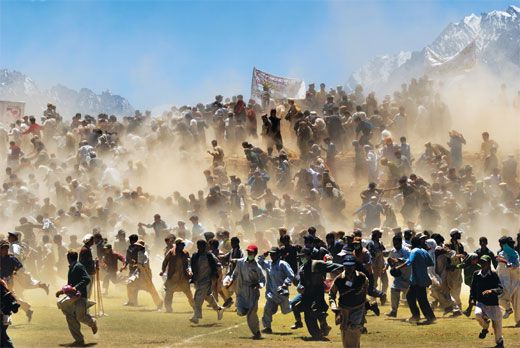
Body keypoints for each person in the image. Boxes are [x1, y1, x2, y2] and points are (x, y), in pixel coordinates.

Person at [55, 250, 98, 346]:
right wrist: (62, 291)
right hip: (71, 296)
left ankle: (93, 323)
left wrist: (76, 287)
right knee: (70, 317)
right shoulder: (72, 267)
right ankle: (79, 340)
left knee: (80, 317)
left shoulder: (78, 266)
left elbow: (87, 279)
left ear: (68, 258)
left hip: (80, 296)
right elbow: (70, 285)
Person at [226, 244, 266, 339]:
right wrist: (230, 282)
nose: (249, 254)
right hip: (241, 290)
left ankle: (256, 332)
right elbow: (235, 274)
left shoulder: (257, 266)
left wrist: (258, 285)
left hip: (253, 292)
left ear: (255, 253)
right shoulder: (240, 263)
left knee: (251, 314)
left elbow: (262, 280)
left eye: (251, 252)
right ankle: (246, 310)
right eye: (248, 252)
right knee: (240, 311)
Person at [329, 254, 368, 348]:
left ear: (354, 266)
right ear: (343, 266)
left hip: (358, 308)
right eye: (346, 266)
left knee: (353, 329)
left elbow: (366, 290)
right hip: (344, 309)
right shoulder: (338, 280)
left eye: (351, 266)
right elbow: (331, 295)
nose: (349, 268)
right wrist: (335, 308)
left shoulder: (362, 277)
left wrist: (365, 305)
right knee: (345, 332)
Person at [395, 234, 436, 324]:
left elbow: (410, 261)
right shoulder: (423, 251)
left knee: (422, 299)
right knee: (410, 296)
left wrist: (398, 267)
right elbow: (430, 263)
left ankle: (430, 317)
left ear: (412, 244)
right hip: (421, 278)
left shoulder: (414, 251)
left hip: (417, 279)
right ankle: (416, 316)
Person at [257, 246, 294, 333]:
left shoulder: (283, 264)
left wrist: (285, 284)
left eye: (274, 254)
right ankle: (267, 328)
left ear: (278, 255)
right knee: (267, 309)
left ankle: (296, 306)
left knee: (286, 311)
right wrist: (264, 255)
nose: (272, 256)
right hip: (272, 293)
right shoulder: (268, 264)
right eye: (271, 254)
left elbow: (291, 275)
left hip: (282, 293)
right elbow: (259, 263)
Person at [470, 255, 504, 348]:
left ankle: (499, 343)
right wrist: (472, 298)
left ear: (489, 263)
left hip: (493, 304)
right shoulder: (476, 274)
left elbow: (500, 289)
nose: (482, 264)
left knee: (497, 327)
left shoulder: (494, 274)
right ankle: (485, 327)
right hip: (481, 303)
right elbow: (472, 288)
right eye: (481, 262)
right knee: (477, 314)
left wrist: (491, 291)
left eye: (484, 262)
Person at [190, 239, 224, 324]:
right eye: (199, 246)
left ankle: (196, 316)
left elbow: (218, 264)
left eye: (202, 246)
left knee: (197, 298)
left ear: (205, 247)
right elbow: (191, 265)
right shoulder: (195, 256)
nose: (200, 247)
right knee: (207, 296)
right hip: (198, 280)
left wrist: (217, 271)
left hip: (207, 280)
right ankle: (219, 309)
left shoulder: (209, 256)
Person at [126, 240, 163, 310]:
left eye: (137, 246)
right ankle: (132, 301)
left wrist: (138, 265)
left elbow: (144, 263)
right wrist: (137, 264)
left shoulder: (143, 253)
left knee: (150, 289)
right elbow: (141, 264)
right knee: (130, 285)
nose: (136, 247)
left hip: (145, 273)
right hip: (141, 272)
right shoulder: (141, 252)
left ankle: (159, 302)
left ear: (140, 247)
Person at [161, 238, 194, 313]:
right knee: (169, 293)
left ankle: (195, 307)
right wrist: (163, 270)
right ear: (178, 245)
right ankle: (168, 308)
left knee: (188, 293)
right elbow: (165, 261)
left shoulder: (185, 253)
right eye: (182, 244)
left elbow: (188, 263)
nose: (183, 246)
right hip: (173, 277)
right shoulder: (171, 252)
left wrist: (189, 271)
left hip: (183, 277)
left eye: (183, 245)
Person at [386, 235, 411, 317]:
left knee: (412, 295)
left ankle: (416, 313)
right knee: (394, 290)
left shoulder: (406, 250)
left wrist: (399, 260)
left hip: (408, 275)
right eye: (394, 243)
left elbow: (409, 260)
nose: (395, 244)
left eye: (397, 243)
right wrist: (387, 265)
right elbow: (389, 259)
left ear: (400, 242)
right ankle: (394, 311)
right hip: (398, 276)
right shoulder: (393, 251)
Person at [1, 277, 19, 348]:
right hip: (7, 315)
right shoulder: (2, 282)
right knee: (3, 336)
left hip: (3, 315)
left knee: (3, 338)